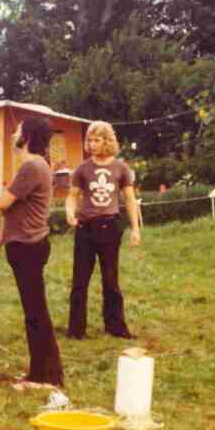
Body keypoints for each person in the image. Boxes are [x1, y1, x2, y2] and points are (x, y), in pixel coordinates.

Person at [0, 116, 64, 390]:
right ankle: (41, 372)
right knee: (34, 312)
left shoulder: (31, 167)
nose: (13, 134)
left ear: (27, 136)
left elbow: (2, 203)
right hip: (24, 245)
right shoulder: (34, 165)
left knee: (36, 313)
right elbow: (11, 212)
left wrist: (4, 192)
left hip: (29, 248)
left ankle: (46, 377)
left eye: (17, 130)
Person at [65, 121, 141, 340]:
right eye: (89, 140)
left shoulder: (121, 168)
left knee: (110, 280)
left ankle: (115, 326)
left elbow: (129, 199)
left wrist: (135, 229)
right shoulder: (82, 169)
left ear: (107, 141)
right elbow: (72, 196)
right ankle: (76, 330)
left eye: (96, 139)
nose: (92, 144)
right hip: (85, 228)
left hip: (110, 227)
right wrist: (70, 213)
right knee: (80, 281)